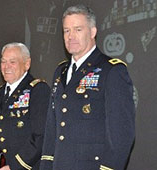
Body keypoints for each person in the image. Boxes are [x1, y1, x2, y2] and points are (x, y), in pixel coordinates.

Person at [40, 5, 135, 170]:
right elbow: (52, 127)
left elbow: (121, 136)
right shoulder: (60, 72)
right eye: (66, 31)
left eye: (78, 29)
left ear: (92, 32)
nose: (71, 36)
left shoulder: (111, 70)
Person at [0, 42, 51, 170]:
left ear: (27, 64)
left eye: (12, 62)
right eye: (3, 62)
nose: (6, 67)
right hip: (4, 165)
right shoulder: (0, 92)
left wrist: (14, 167)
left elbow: (40, 136)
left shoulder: (38, 90)